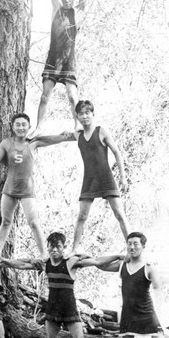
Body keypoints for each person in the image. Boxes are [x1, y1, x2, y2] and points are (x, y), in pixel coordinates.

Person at [0, 231, 122, 338]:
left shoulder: (71, 261)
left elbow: (97, 261)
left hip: (69, 309)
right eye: (51, 247)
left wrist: (118, 256)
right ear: (47, 247)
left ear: (64, 248)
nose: (54, 250)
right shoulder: (45, 263)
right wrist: (4, 261)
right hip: (53, 309)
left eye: (58, 247)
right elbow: (23, 264)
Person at [32, 100, 130, 253]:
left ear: (92, 114)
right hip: (89, 179)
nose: (84, 117)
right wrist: (36, 140)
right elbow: (58, 139)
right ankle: (75, 249)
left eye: (87, 113)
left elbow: (116, 152)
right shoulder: (78, 135)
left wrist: (122, 177)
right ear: (77, 117)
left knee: (119, 214)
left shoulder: (101, 131)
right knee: (82, 215)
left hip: (106, 178)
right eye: (81, 114)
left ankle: (130, 246)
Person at [0, 112, 69, 259]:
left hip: (27, 190)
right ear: (12, 126)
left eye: (24, 125)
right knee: (5, 221)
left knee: (34, 222)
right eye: (17, 124)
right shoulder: (6, 143)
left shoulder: (33, 143)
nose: (21, 127)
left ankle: (43, 254)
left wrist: (64, 136)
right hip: (9, 189)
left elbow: (52, 140)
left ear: (29, 127)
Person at [29, 0, 89, 138]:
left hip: (69, 61)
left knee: (72, 97)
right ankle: (39, 127)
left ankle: (77, 125)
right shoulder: (57, 9)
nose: (66, 0)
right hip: (53, 59)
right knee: (44, 97)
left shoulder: (77, 13)